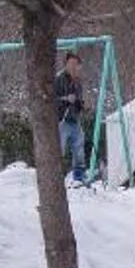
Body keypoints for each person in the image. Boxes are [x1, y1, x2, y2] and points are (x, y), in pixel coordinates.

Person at [52, 50, 93, 185]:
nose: (73, 67)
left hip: (74, 119)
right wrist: (65, 99)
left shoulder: (78, 81)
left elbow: (78, 99)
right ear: (66, 65)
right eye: (71, 63)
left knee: (79, 147)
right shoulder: (59, 79)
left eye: (76, 64)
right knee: (60, 148)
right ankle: (56, 177)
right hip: (62, 119)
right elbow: (51, 99)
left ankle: (79, 176)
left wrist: (81, 105)